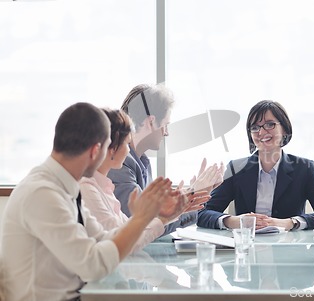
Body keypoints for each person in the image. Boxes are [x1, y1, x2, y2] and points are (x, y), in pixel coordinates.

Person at [0, 102, 188, 301]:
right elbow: (92, 265)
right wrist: (140, 219)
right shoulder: (42, 193)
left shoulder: (64, 188)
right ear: (95, 150)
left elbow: (104, 238)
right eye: (108, 147)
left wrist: (156, 217)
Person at [80, 108, 211, 251]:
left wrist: (169, 214)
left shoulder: (104, 188)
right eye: (126, 143)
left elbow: (130, 233)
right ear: (112, 147)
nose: (129, 150)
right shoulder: (87, 189)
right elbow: (121, 242)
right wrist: (158, 216)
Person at [197, 100, 314, 230]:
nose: (262, 132)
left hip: (288, 249)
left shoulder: (304, 168)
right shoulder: (236, 168)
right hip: (246, 247)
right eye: (255, 127)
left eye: (270, 124)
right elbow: (202, 214)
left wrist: (290, 223)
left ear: (284, 129)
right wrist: (234, 221)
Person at [108, 84, 219, 234]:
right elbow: (143, 225)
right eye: (166, 125)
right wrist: (192, 197)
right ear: (151, 122)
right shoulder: (121, 164)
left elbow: (154, 216)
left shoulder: (142, 162)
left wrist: (187, 199)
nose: (166, 133)